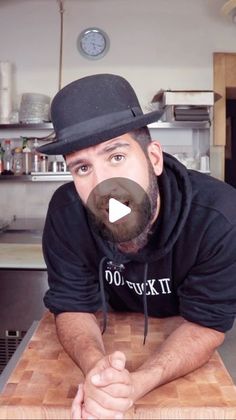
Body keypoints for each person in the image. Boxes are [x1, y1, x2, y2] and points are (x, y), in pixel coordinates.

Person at [38, 74, 236, 420]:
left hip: (181, 341)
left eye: (116, 157)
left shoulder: (219, 217)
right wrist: (98, 371)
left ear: (154, 158)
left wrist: (138, 383)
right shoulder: (67, 213)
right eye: (83, 168)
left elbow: (207, 323)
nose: (104, 186)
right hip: (105, 330)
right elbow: (71, 304)